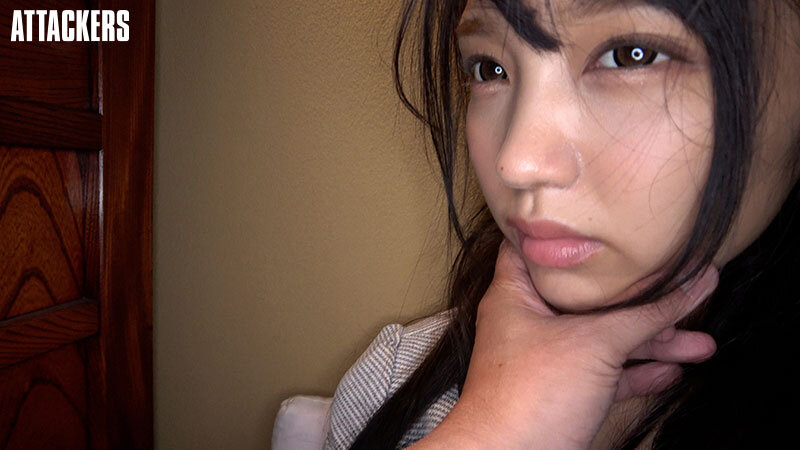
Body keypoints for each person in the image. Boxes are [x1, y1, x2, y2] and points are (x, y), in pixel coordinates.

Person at [325, 0, 800, 448]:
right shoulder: (392, 385)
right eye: (489, 69)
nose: (517, 162)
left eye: (630, 55)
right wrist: (491, 433)